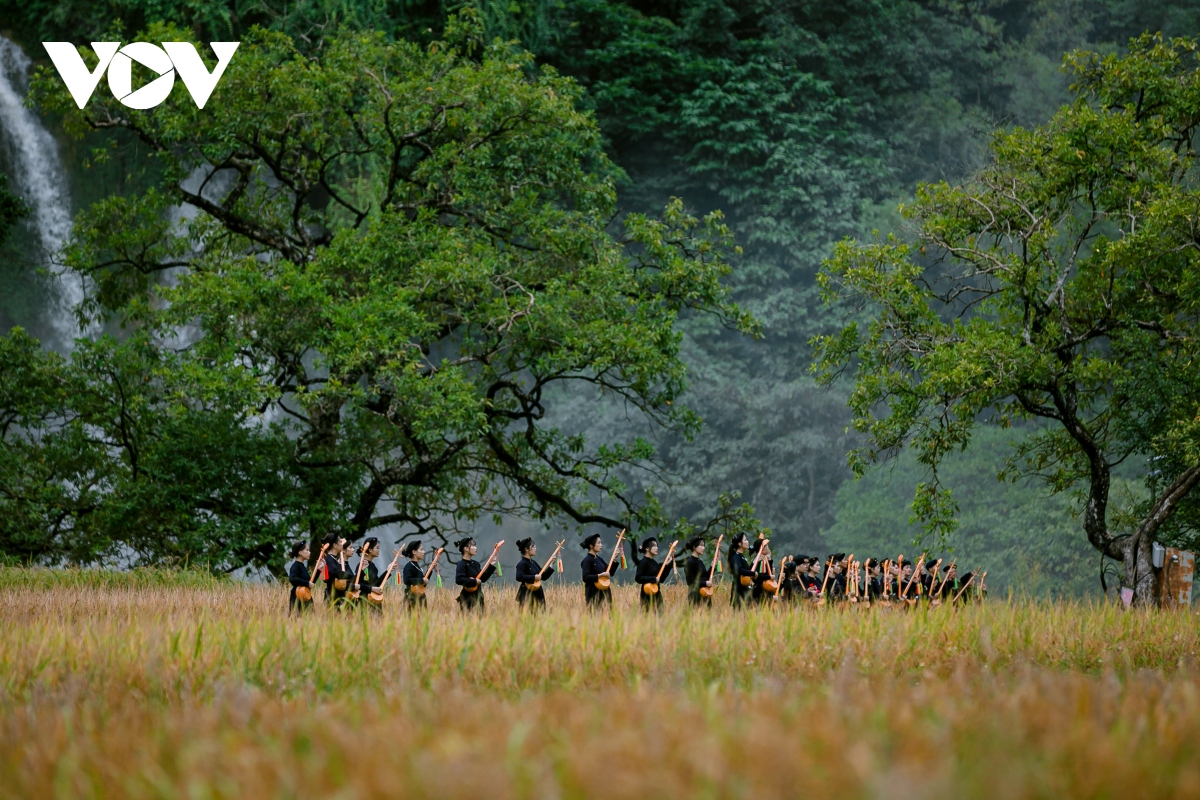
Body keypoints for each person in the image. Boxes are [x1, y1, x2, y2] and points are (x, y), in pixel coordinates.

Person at [454, 537, 497, 612]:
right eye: (473, 546)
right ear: (466, 548)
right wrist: (474, 581)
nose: (476, 548)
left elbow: (482, 579)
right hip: (467, 599)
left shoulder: (476, 564)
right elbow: (459, 579)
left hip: (478, 597)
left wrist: (491, 565)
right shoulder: (461, 564)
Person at [514, 538, 553, 611]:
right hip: (527, 595)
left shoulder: (534, 563)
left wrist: (551, 565)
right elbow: (519, 576)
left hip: (538, 595)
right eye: (533, 546)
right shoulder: (522, 564)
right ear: (526, 549)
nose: (535, 548)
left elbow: (543, 576)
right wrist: (534, 577)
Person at [634, 538, 670, 612]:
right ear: (647, 548)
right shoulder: (643, 562)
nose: (656, 548)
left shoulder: (654, 563)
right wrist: (653, 579)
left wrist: (666, 566)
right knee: (647, 617)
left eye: (657, 546)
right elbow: (638, 578)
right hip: (647, 594)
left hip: (657, 593)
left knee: (659, 616)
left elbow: (661, 579)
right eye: (654, 546)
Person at [581, 534, 615, 610]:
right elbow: (585, 577)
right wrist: (600, 575)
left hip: (605, 591)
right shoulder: (587, 560)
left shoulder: (599, 559)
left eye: (601, 543)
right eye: (598, 543)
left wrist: (614, 560)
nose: (601, 545)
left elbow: (610, 572)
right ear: (591, 545)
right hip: (593, 593)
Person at [355, 537, 383, 613]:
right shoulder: (361, 565)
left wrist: (388, 571)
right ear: (370, 550)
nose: (378, 550)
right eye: (377, 548)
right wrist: (371, 589)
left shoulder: (373, 565)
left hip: (374, 599)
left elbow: (376, 583)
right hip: (365, 600)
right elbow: (358, 584)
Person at [321, 533, 350, 608]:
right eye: (340, 542)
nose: (342, 544)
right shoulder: (329, 559)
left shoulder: (335, 560)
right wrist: (347, 575)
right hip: (333, 596)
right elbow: (333, 572)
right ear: (334, 545)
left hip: (338, 595)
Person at [728, 533, 756, 608]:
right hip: (739, 591)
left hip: (744, 590)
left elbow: (747, 570)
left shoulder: (741, 556)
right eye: (745, 540)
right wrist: (753, 573)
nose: (748, 542)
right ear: (740, 544)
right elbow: (739, 569)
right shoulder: (736, 557)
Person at [287, 540, 316, 615]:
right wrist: (306, 583)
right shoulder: (295, 566)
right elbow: (292, 578)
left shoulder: (302, 566)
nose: (309, 552)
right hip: (298, 597)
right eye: (307, 550)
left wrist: (318, 569)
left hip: (306, 596)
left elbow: (311, 582)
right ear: (300, 552)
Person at [683, 536, 713, 607]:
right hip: (695, 595)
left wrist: (712, 567)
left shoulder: (700, 562)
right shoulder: (689, 562)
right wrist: (705, 583)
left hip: (705, 593)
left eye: (704, 545)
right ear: (694, 547)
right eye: (701, 545)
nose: (703, 548)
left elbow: (706, 577)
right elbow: (690, 582)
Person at [401, 540, 428, 611]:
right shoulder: (409, 566)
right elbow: (407, 580)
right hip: (411, 598)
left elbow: (422, 583)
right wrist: (422, 580)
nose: (424, 552)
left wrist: (430, 570)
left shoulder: (417, 566)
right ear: (414, 552)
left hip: (420, 597)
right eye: (421, 549)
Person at [750, 538, 776, 605]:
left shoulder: (765, 559)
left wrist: (769, 559)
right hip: (759, 590)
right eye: (766, 546)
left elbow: (769, 571)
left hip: (767, 589)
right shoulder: (757, 561)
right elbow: (757, 576)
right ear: (761, 549)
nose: (768, 548)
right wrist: (769, 576)